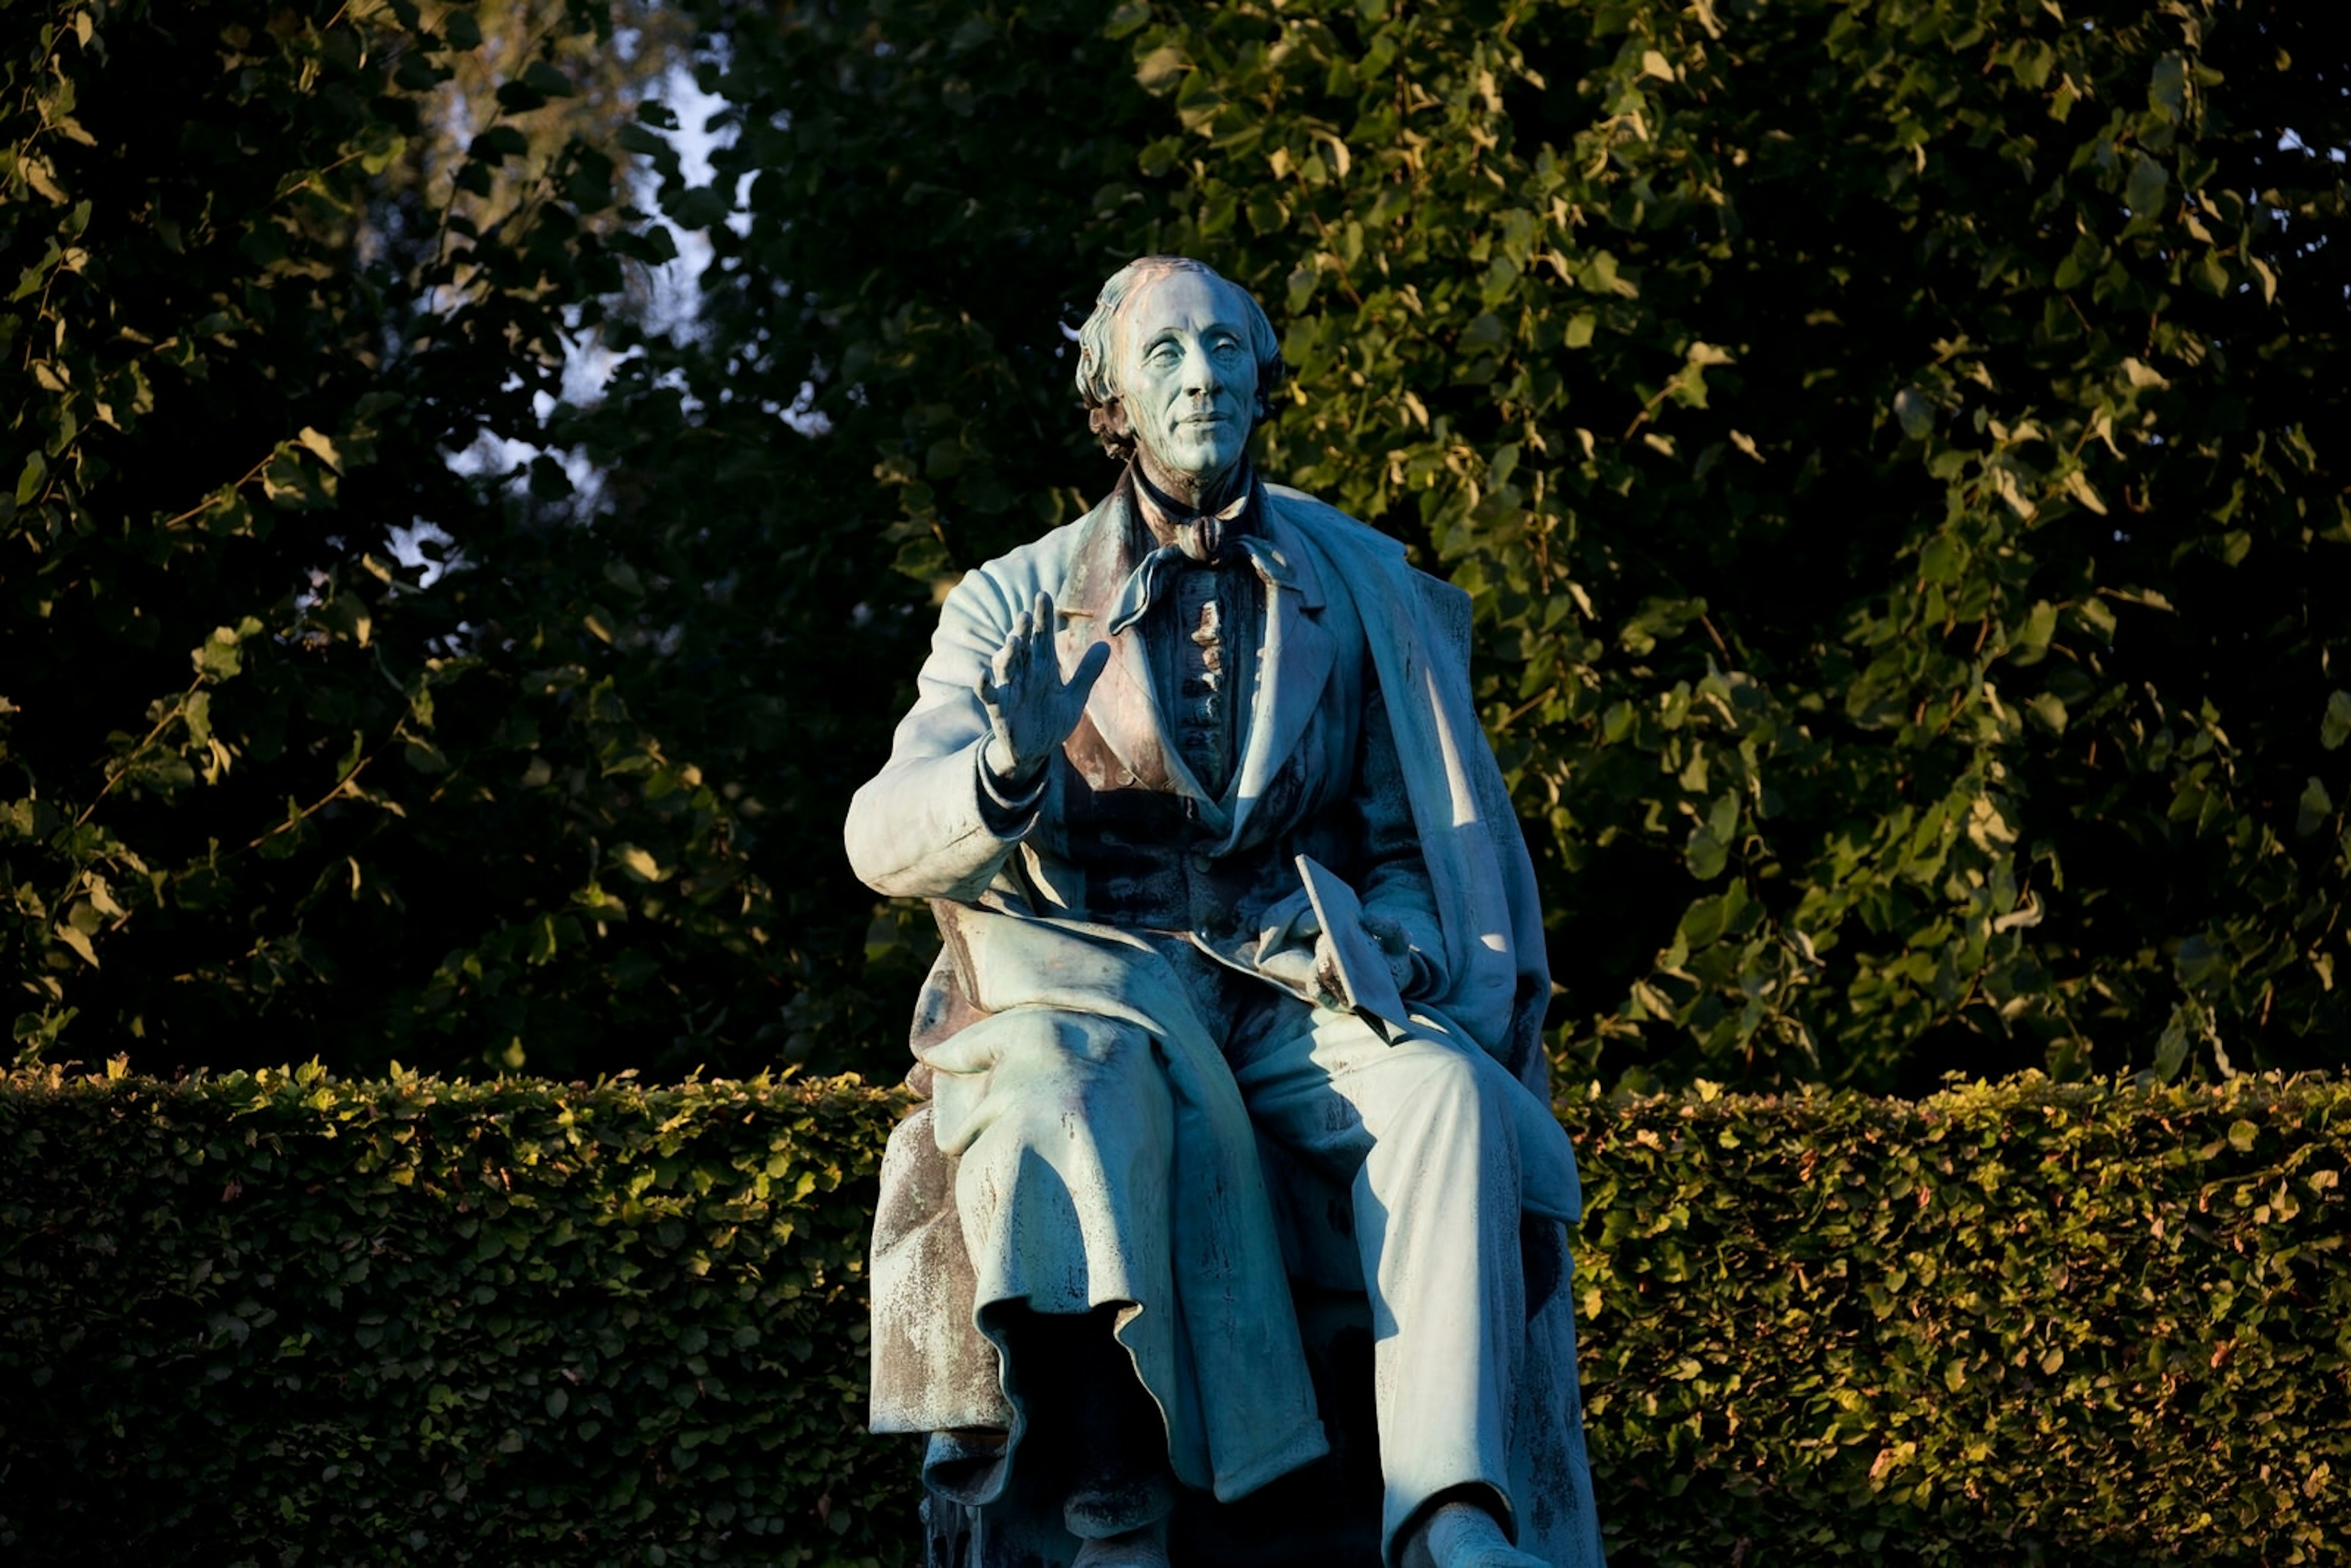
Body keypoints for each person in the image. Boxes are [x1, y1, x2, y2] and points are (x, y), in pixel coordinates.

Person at [850, 257, 1604, 1568]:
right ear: (1114, 404)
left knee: (1451, 1103)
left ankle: (1448, 1516)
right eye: (1165, 356)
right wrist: (1004, 772)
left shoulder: (1359, 588)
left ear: (1261, 376)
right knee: (1059, 1101)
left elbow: (1406, 843)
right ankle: (1109, 1499)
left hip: (1289, 991)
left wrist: (1402, 948)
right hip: (1097, 986)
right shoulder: (1013, 598)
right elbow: (880, 830)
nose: (1202, 376)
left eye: (1223, 350)